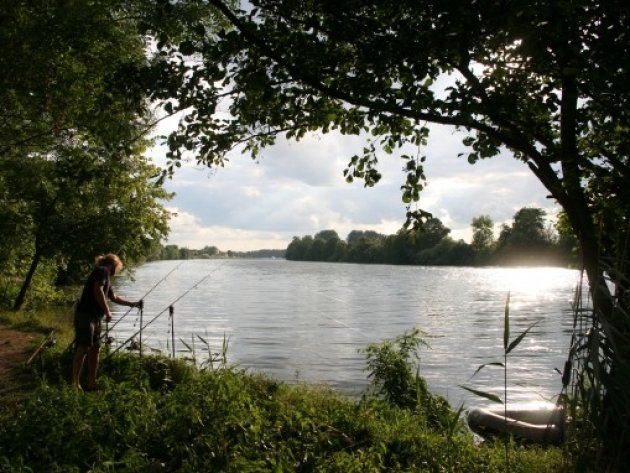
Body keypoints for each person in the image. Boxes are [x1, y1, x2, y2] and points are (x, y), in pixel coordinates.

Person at [72, 253, 142, 390]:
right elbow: (98, 290)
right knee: (84, 348)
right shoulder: (102, 271)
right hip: (86, 316)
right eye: (118, 267)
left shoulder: (106, 276)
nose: (117, 270)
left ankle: (92, 383)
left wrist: (132, 304)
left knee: (95, 349)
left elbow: (113, 297)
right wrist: (108, 311)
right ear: (114, 265)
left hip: (96, 318)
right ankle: (75, 385)